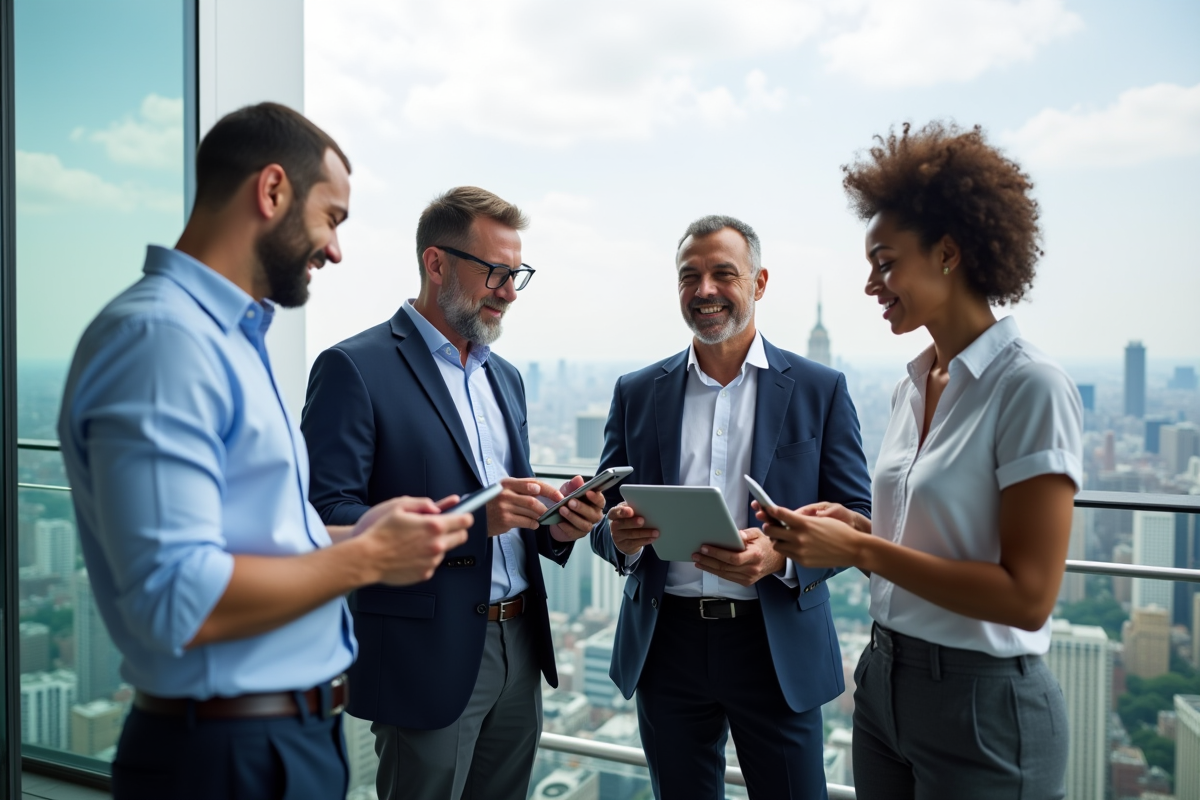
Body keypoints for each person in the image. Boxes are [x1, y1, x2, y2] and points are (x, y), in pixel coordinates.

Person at [56, 103, 473, 800]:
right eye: (332, 217)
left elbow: (243, 539)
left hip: (276, 743)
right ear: (272, 191)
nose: (335, 249)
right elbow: (175, 598)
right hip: (224, 758)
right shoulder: (164, 341)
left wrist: (351, 531)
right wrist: (367, 559)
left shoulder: (225, 340)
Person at [765, 122, 1082, 800]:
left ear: (947, 253)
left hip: (983, 705)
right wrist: (860, 527)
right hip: (883, 682)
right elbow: (936, 536)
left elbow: (1028, 598)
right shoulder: (913, 385)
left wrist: (861, 551)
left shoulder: (1029, 385)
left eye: (885, 262)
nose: (872, 285)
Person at [301, 186, 606, 800]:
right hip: (424, 652)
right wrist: (472, 520)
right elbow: (321, 516)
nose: (509, 291)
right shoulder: (353, 368)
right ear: (435, 263)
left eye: (517, 273)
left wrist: (556, 524)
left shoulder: (507, 377)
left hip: (520, 643)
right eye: (494, 271)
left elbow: (512, 520)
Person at [588, 215, 873, 799]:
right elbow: (601, 513)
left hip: (774, 646)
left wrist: (782, 557)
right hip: (666, 644)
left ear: (759, 283)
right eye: (689, 277)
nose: (705, 290)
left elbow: (857, 515)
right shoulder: (637, 392)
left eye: (723, 274)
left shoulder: (820, 389)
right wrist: (615, 537)